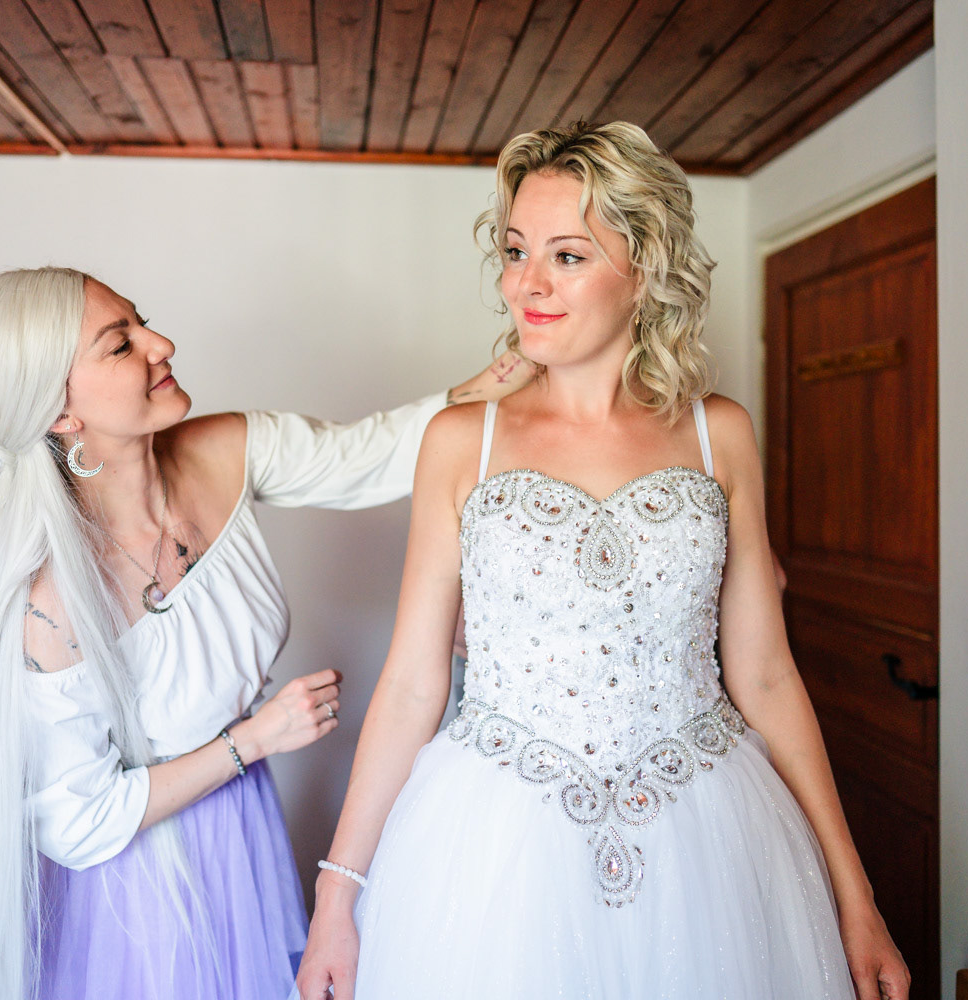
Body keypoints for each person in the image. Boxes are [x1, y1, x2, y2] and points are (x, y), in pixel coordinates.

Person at [295, 122, 910, 1000]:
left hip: (707, 832)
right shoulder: (461, 442)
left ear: (645, 270)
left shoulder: (720, 434)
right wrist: (336, 896)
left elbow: (768, 676)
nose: (526, 283)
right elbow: (409, 685)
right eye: (516, 251)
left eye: (568, 256)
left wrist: (857, 896)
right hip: (499, 843)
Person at [0, 266, 531, 1000]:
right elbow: (78, 822)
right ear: (60, 414)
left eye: (141, 320)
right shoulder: (50, 597)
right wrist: (254, 740)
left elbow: (375, 453)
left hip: (242, 827)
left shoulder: (224, 447)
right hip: (141, 886)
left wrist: (514, 371)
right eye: (120, 344)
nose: (161, 343)